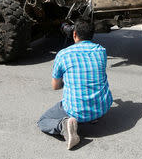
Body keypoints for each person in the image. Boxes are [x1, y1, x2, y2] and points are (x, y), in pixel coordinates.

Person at [37, 19, 113, 150]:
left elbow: (55, 86)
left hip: (76, 111)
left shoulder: (63, 54)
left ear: (74, 34)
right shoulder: (101, 51)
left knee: (43, 121)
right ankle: (92, 118)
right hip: (102, 108)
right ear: (92, 35)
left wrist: (67, 81)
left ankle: (64, 126)